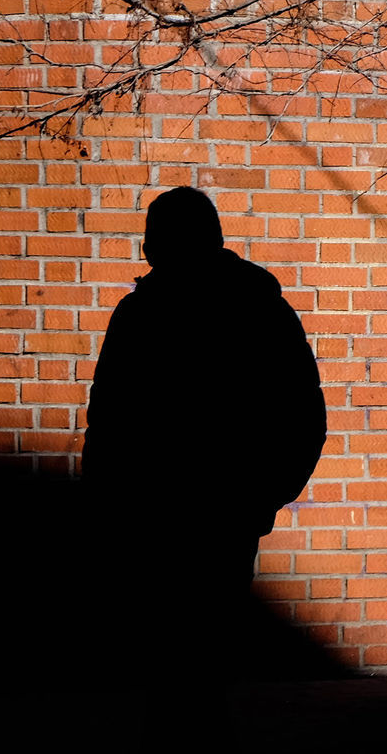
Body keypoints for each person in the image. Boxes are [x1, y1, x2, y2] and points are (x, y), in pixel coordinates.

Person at [83, 186, 326, 677]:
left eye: (153, 242)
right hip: (221, 513)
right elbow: (304, 416)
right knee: (209, 661)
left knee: (171, 664)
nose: (148, 252)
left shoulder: (140, 316)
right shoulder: (260, 310)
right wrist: (262, 496)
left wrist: (105, 506)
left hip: (158, 515)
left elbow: (108, 423)